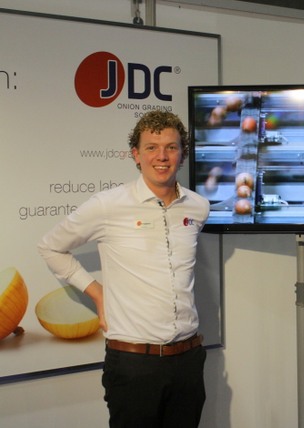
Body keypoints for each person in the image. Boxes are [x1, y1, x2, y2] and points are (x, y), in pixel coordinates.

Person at [38, 110, 210, 428]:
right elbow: (50, 246)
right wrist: (97, 293)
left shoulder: (198, 207)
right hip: (134, 364)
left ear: (182, 153)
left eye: (171, 147)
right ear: (136, 154)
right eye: (151, 147)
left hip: (188, 361)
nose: (161, 157)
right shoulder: (108, 205)